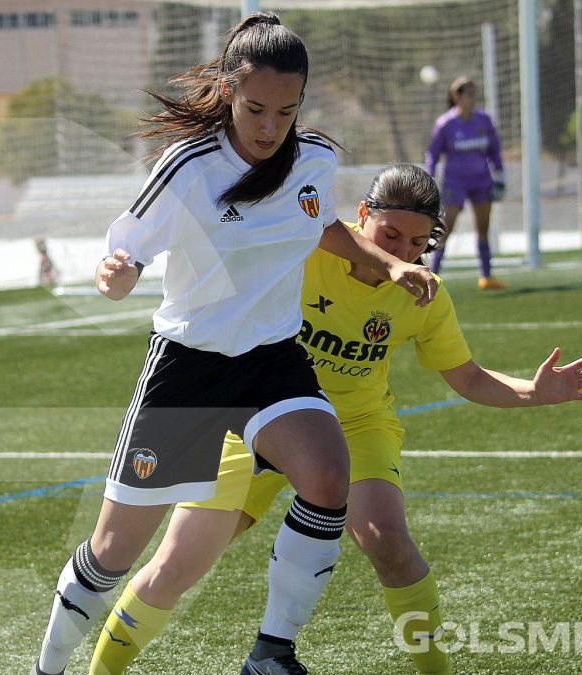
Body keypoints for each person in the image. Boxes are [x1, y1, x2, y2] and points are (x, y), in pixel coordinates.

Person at [32, 14, 436, 675]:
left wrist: (389, 263)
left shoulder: (316, 161)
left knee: (329, 477)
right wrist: (117, 273)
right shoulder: (188, 167)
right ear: (227, 93)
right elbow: (124, 252)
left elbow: (319, 220)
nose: (270, 125)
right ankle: (46, 670)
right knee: (112, 551)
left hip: (273, 361)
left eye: (286, 109)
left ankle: (270, 654)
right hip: (189, 367)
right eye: (255, 108)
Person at [87, 163, 582, 675]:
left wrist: (533, 392)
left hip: (357, 425)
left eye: (417, 243)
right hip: (254, 419)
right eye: (391, 235)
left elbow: (467, 378)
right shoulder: (305, 252)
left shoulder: (425, 292)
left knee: (389, 543)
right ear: (362, 217)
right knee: (177, 563)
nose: (402, 253)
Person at [423, 76, 505, 287]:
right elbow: (433, 153)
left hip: (481, 181)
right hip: (455, 183)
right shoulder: (446, 124)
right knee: (445, 227)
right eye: (468, 94)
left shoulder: (483, 120)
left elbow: (494, 149)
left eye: (473, 93)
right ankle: (432, 275)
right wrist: (429, 176)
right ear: (456, 96)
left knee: (483, 226)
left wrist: (500, 174)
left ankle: (486, 276)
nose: (472, 98)